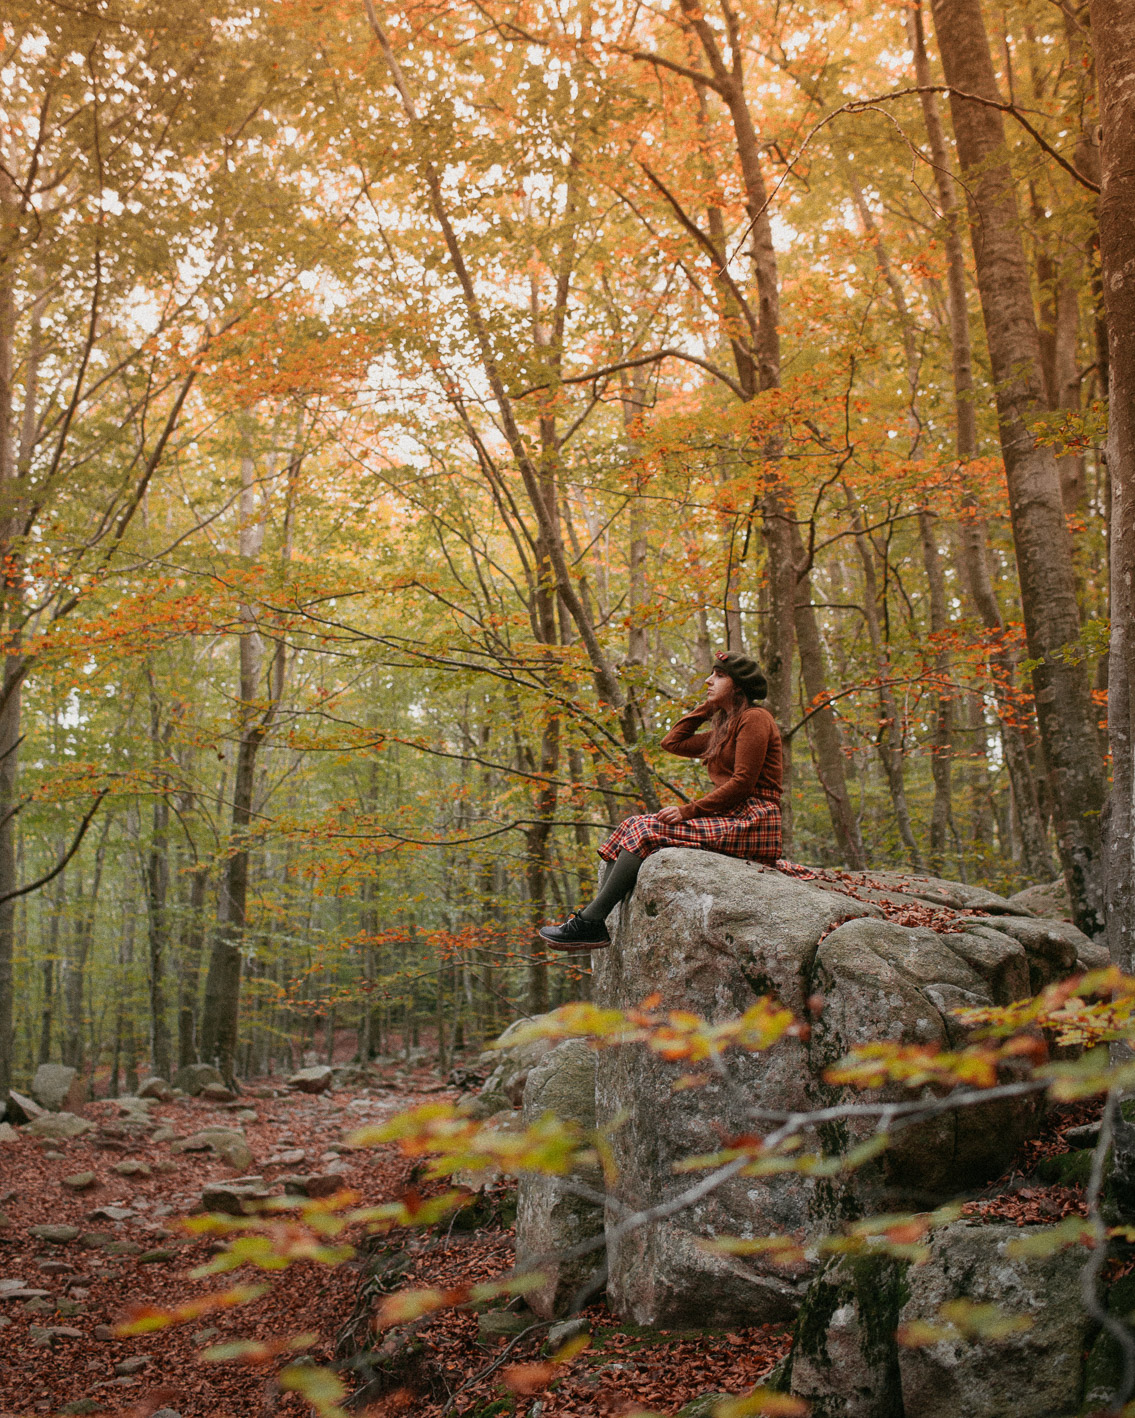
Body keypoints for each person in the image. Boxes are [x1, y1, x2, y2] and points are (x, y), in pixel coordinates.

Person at [539, 650, 782, 951]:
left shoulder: (755, 718)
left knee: (646, 832)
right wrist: (709, 706)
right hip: (732, 815)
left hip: (754, 819)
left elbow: (743, 783)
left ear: (739, 686)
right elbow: (673, 742)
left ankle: (590, 920)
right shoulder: (725, 728)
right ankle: (594, 922)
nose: (709, 680)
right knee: (632, 824)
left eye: (719, 676)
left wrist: (687, 811)